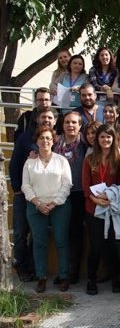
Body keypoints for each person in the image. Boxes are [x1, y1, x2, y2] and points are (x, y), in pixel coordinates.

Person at [22, 126, 73, 293]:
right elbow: (26, 186)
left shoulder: (61, 161)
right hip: (35, 207)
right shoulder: (29, 163)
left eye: (48, 138)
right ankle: (41, 277)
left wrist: (54, 203)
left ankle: (64, 276)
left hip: (59, 206)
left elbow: (67, 184)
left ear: (53, 140)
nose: (45, 141)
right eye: (42, 138)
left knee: (61, 241)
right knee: (39, 242)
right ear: (36, 141)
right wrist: (38, 203)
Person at [10, 107, 58, 282]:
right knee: (21, 233)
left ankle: (31, 267)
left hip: (47, 197)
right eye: (43, 117)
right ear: (37, 119)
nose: (46, 120)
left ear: (54, 121)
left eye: (50, 117)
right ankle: (21, 266)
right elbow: (14, 164)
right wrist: (17, 189)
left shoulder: (56, 140)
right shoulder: (25, 138)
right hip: (25, 195)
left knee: (37, 235)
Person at [82, 124, 120, 295]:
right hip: (94, 208)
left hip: (112, 208)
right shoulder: (89, 159)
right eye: (102, 137)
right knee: (96, 246)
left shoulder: (119, 159)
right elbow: (85, 185)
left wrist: (109, 198)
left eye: (109, 137)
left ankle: (117, 279)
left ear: (113, 139)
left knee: (113, 245)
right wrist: (96, 199)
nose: (105, 140)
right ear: (96, 140)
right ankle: (91, 279)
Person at [55, 111, 88, 284]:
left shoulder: (85, 143)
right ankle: (63, 271)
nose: (70, 125)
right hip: (59, 194)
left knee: (76, 234)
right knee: (61, 234)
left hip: (78, 194)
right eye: (67, 122)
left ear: (80, 125)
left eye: (74, 122)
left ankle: (73, 272)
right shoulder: (55, 143)